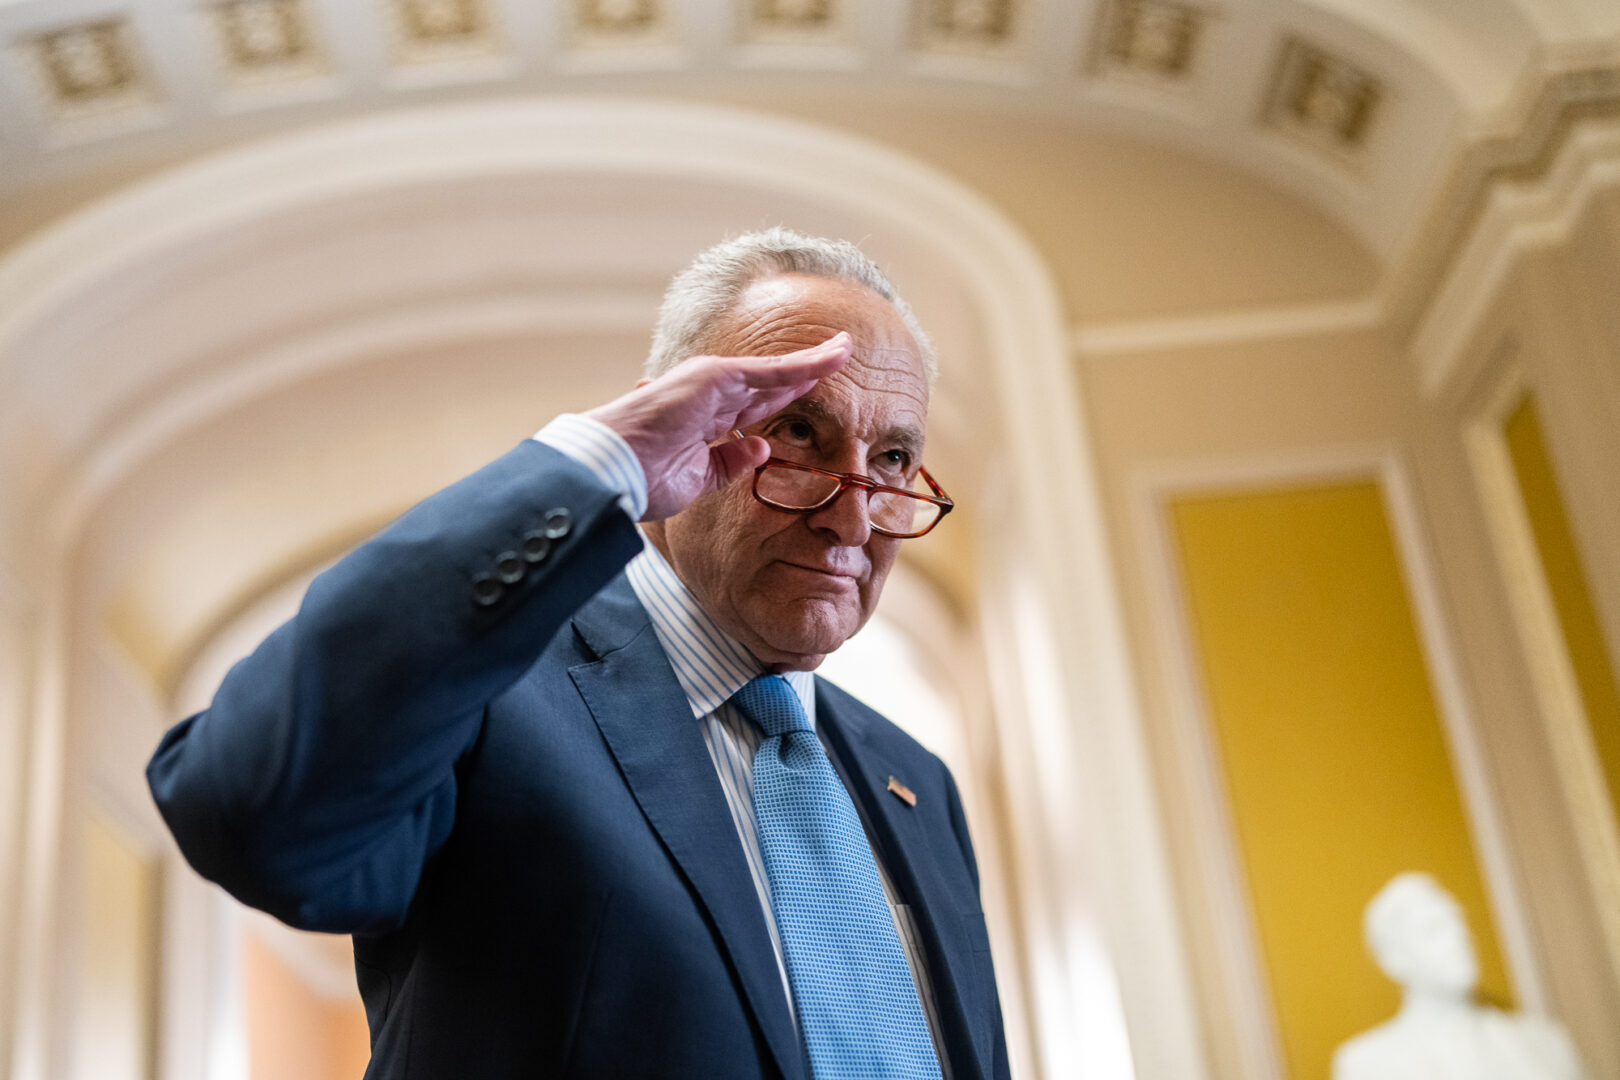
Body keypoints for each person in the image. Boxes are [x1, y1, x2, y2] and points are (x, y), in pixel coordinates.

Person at [147, 228, 1009, 1079]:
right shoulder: (489, 688)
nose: (852, 518)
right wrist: (600, 465)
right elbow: (246, 808)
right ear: (682, 433)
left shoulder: (916, 781)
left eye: (893, 456)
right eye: (794, 432)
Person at [1333, 872, 1588, 1080]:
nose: (1459, 936)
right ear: (1394, 960)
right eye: (1433, 929)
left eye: (1458, 922)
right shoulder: (1367, 1064)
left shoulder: (1545, 1041)